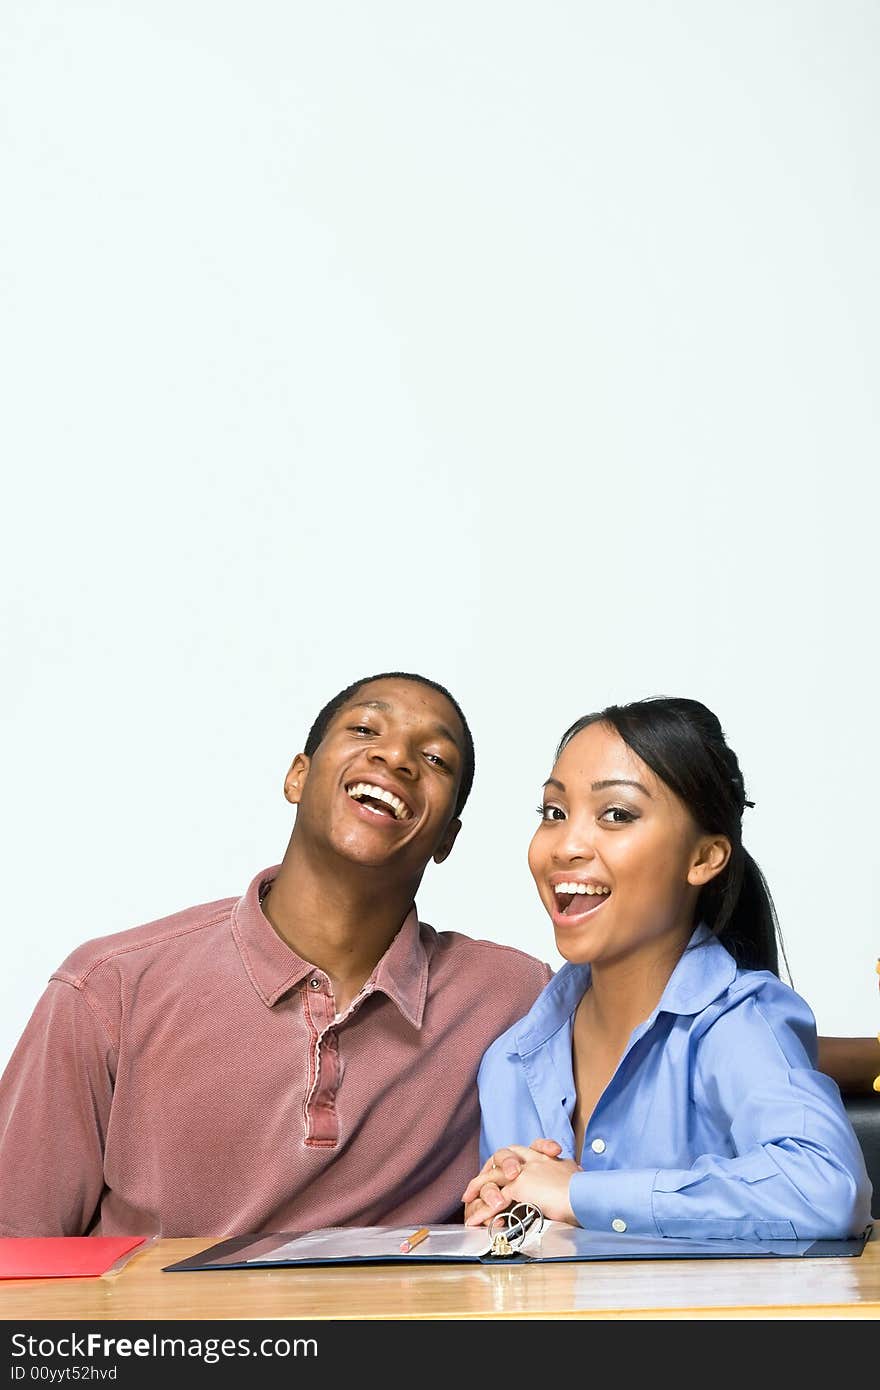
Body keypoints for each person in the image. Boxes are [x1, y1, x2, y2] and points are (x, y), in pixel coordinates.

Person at [0, 674, 874, 1238]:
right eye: (552, 812)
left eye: (436, 758)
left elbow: (724, 1048)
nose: (395, 757)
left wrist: (547, 1201)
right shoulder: (107, 989)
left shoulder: (509, 1001)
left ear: (450, 833)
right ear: (298, 772)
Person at [462, 697, 873, 1241]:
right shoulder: (511, 1063)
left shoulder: (738, 1022)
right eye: (554, 813)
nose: (567, 845)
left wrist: (575, 1193)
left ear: (703, 859)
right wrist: (506, 1211)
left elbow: (824, 1188)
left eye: (617, 815)